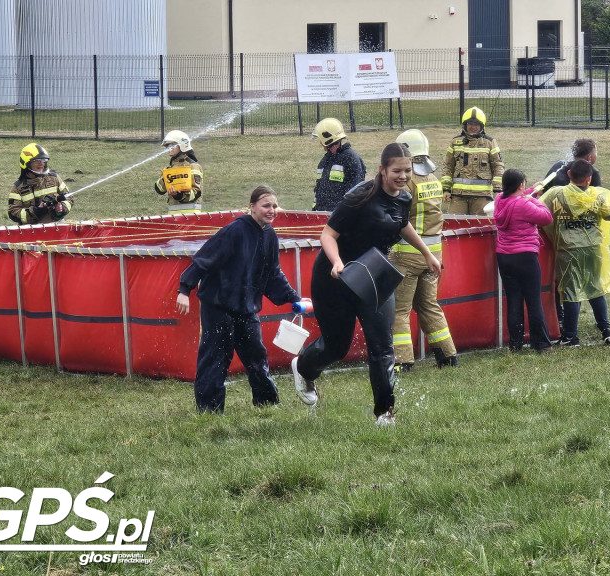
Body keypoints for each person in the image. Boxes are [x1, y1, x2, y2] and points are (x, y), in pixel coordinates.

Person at [295, 143, 441, 425]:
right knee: (337, 347)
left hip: (374, 275)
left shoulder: (404, 197)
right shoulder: (359, 197)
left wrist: (427, 253)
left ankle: (385, 413)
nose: (402, 176)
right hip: (335, 276)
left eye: (407, 171)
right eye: (397, 170)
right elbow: (327, 235)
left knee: (383, 345)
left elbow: (400, 225)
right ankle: (303, 368)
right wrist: (337, 262)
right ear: (382, 170)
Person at [175, 185, 302, 413]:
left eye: (274, 205)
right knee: (216, 357)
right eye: (266, 205)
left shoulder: (270, 235)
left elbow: (273, 273)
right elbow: (205, 258)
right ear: (251, 207)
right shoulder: (234, 230)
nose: (271, 210)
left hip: (246, 307)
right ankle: (209, 411)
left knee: (257, 356)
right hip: (218, 305)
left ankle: (267, 404)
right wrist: (184, 289)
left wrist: (294, 298)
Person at [390, 129, 458, 371]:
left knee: (399, 309)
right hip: (434, 255)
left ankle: (403, 361)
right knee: (429, 305)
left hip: (407, 254)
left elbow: (398, 218)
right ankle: (448, 356)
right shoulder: (433, 180)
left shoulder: (407, 182)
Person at [539, 159, 610, 347]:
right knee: (595, 288)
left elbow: (537, 211)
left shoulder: (556, 194)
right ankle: (606, 330)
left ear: (569, 174)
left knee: (571, 292)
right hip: (593, 249)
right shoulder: (598, 196)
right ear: (589, 179)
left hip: (567, 250)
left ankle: (570, 336)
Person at [493, 168, 553, 353]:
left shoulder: (499, 200)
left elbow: (516, 198)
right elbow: (546, 218)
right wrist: (535, 199)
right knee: (533, 300)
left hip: (504, 257)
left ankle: (516, 343)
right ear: (520, 185)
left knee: (514, 300)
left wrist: (530, 191)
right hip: (526, 257)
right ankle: (541, 344)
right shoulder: (524, 205)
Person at [440, 107, 504, 215]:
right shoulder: (455, 142)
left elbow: (498, 166)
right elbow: (448, 166)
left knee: (481, 226)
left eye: (476, 124)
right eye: (470, 124)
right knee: (454, 223)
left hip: (482, 196)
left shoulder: (490, 142)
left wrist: (497, 190)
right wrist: (446, 189)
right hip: (458, 195)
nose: (473, 127)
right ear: (464, 125)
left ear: (481, 126)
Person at [8, 143, 73, 225]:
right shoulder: (18, 187)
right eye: (37, 161)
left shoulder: (54, 178)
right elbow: (13, 213)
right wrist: (35, 211)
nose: (41, 164)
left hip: (56, 228)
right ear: (26, 163)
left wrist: (62, 208)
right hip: (31, 232)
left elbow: (69, 198)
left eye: (43, 160)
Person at [312, 118, 366, 212]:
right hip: (322, 216)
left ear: (328, 139)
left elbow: (356, 193)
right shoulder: (324, 161)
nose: (320, 143)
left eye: (321, 139)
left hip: (340, 218)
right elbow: (319, 192)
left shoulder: (351, 158)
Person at [155, 130, 204, 214]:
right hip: (173, 215)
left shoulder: (193, 166)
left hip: (191, 215)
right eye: (167, 146)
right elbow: (159, 190)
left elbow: (196, 193)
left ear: (182, 145)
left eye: (171, 145)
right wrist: (165, 177)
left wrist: (178, 195)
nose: (169, 148)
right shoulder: (170, 169)